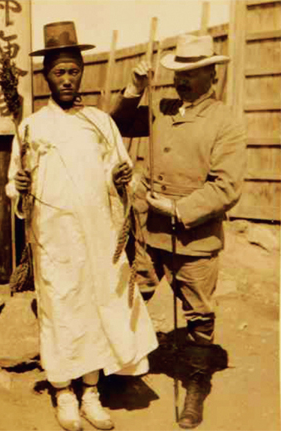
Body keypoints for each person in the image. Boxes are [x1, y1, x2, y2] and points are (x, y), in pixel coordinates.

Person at [6, 21, 158, 431]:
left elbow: (117, 169)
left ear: (81, 74)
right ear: (46, 77)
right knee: (60, 308)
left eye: (73, 71)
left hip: (98, 232)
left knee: (96, 305)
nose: (67, 79)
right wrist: (19, 187)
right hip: (54, 237)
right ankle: (63, 391)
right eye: (59, 72)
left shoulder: (100, 122)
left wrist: (121, 179)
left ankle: (91, 390)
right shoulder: (32, 127)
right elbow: (14, 185)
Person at [110, 34, 246, 429]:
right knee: (132, 296)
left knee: (199, 314)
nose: (181, 81)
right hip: (149, 231)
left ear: (211, 73)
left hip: (196, 236)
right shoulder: (163, 108)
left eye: (191, 73)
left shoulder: (226, 120)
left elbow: (226, 186)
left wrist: (177, 208)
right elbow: (115, 125)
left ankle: (196, 387)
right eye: (177, 73)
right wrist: (135, 88)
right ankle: (121, 373)